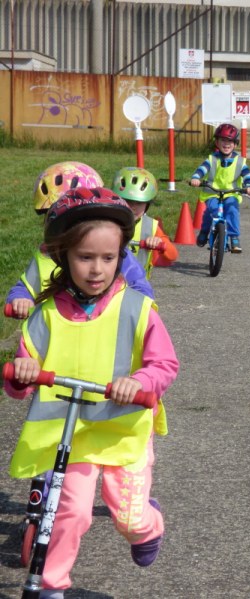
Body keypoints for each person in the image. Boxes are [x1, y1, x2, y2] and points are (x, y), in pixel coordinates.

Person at [3, 187, 179, 599]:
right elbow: (17, 380)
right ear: (63, 256)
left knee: (130, 518)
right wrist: (23, 374)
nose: (97, 269)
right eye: (85, 257)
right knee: (69, 511)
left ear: (121, 256)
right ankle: (51, 586)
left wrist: (140, 382)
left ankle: (148, 527)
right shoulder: (45, 315)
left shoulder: (136, 308)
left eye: (108, 258)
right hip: (71, 436)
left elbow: (164, 364)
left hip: (122, 431)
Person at [6, 162, 154, 319]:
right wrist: (21, 299)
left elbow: (140, 287)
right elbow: (25, 286)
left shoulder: (114, 255)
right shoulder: (45, 256)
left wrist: (136, 310)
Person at [191, 123, 250, 254]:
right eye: (223, 140)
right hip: (212, 193)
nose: (226, 144)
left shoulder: (240, 161)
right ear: (217, 142)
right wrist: (196, 178)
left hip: (231, 194)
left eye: (230, 141)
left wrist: (249, 186)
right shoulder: (212, 159)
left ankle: (234, 237)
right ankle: (204, 231)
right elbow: (202, 169)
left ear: (235, 144)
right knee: (213, 211)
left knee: (232, 210)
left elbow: (247, 175)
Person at [111, 167, 179, 277]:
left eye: (139, 203)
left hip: (138, 284)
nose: (133, 207)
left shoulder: (150, 226)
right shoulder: (107, 223)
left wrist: (160, 243)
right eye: (128, 201)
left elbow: (173, 255)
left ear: (147, 204)